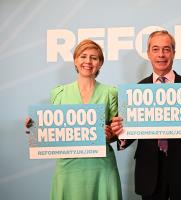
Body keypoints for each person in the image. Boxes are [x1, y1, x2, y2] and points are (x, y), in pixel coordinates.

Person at [111, 30, 181, 200]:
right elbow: (129, 132)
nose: (161, 54)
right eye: (156, 49)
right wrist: (120, 132)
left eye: (167, 49)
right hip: (149, 172)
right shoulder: (136, 90)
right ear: (148, 53)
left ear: (174, 53)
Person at [25, 39, 123, 200]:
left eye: (94, 58)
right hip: (68, 167)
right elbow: (51, 129)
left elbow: (118, 131)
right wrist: (34, 125)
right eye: (83, 56)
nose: (88, 61)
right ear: (75, 60)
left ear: (100, 63)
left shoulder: (110, 92)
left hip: (101, 166)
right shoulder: (59, 93)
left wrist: (110, 134)